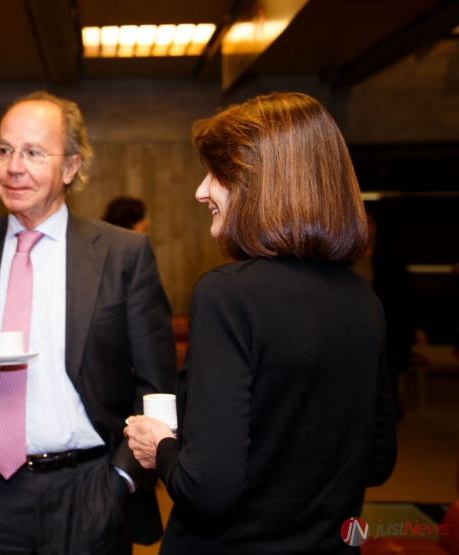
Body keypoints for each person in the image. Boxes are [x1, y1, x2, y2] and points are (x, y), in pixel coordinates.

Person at [124, 92, 397, 554]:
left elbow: (208, 490)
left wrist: (162, 447)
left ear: (263, 184)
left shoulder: (228, 295)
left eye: (218, 174)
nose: (201, 191)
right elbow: (377, 462)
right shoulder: (363, 299)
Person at [0, 91, 177, 555]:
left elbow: (158, 385)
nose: (13, 167)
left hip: (90, 490)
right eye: (4, 150)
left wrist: (122, 478)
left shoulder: (122, 255)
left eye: (33, 152)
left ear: (71, 167)